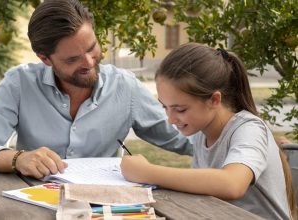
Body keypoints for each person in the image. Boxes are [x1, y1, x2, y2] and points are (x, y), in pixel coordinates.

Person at [0, 0, 192, 179]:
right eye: (72, 59)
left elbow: (186, 138)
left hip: (101, 206)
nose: (89, 63)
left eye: (92, 48)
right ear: (45, 59)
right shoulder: (19, 83)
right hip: (31, 203)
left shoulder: (125, 87)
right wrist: (18, 159)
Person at [120, 43, 296, 219]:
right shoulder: (201, 133)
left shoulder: (248, 129)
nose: (171, 119)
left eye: (180, 109)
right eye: (165, 107)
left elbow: (232, 184)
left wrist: (147, 172)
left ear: (214, 100)